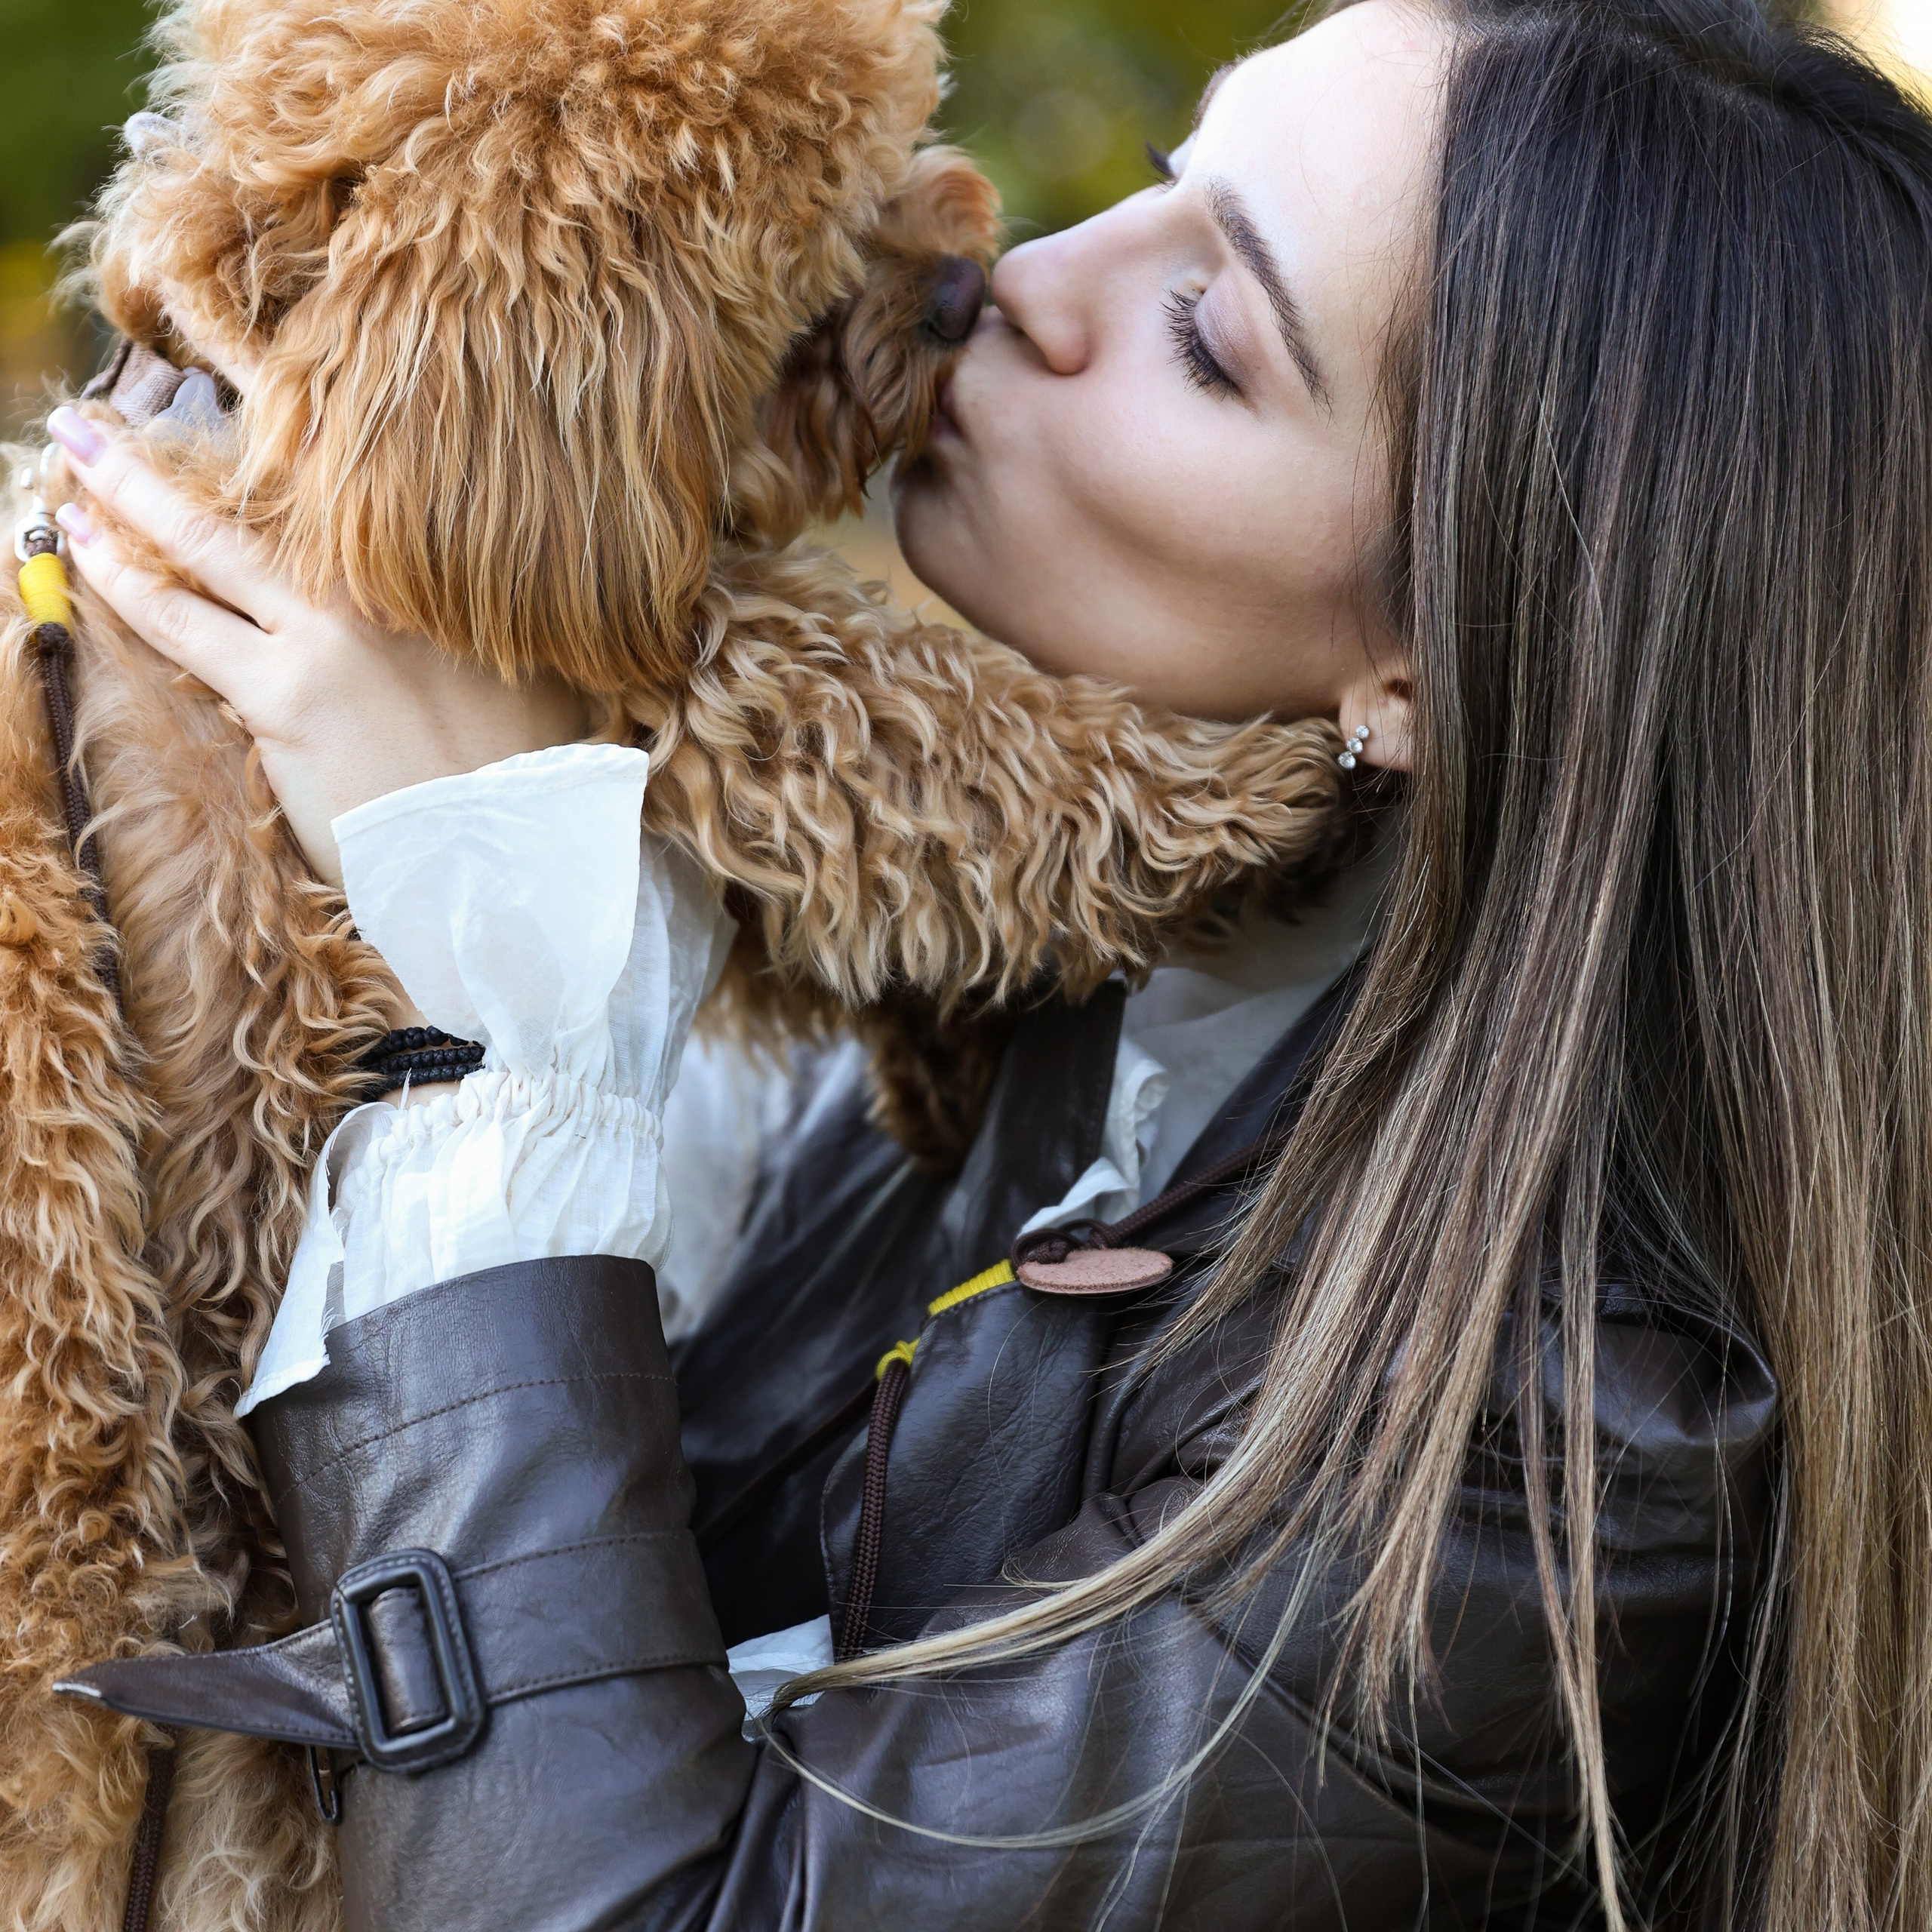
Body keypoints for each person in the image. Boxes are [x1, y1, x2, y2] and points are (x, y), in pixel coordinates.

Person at [48, 0, 1932, 1924]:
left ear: (1442, 656)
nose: (1016, 279)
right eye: (1152, 189)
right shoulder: (1069, 967)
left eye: (1209, 338)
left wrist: (487, 969)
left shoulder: (1542, 1476)